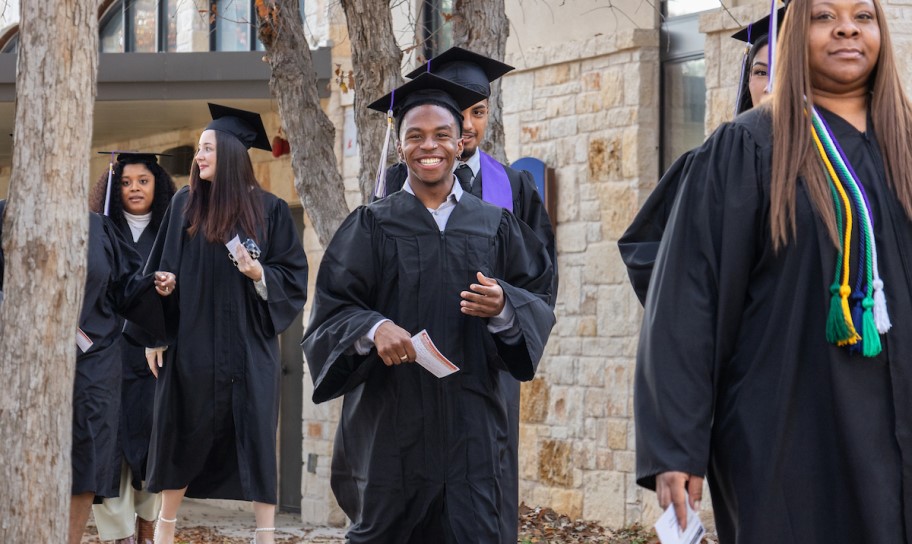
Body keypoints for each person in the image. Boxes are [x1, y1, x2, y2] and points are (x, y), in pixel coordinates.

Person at [633, 0, 912, 541]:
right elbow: (689, 299)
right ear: (794, 35)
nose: (847, 29)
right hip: (789, 433)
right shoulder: (749, 146)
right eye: (825, 16)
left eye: (863, 16)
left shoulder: (904, 144)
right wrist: (676, 446)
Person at [302, 73, 555, 543]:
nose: (429, 146)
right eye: (415, 136)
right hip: (390, 427)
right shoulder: (371, 225)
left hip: (472, 429)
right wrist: (372, 327)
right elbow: (331, 310)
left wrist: (505, 305)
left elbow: (538, 294)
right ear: (400, 148)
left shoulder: (496, 225)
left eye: (441, 134)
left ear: (460, 143)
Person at [380, 48, 557, 542]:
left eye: (478, 111)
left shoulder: (513, 186)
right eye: (459, 114)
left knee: (485, 483)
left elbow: (541, 276)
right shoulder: (397, 182)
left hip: (487, 363)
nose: (469, 124)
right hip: (413, 363)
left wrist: (506, 306)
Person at [128, 104, 309, 544]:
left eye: (207, 148)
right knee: (182, 434)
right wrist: (156, 327)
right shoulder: (185, 205)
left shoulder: (270, 211)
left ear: (229, 153)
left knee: (257, 439)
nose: (199, 156)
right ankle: (165, 531)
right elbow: (160, 269)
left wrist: (259, 274)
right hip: (192, 347)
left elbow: (293, 279)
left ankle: (265, 535)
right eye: (199, 149)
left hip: (250, 351)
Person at [619, 5, 789, 304]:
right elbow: (644, 250)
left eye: (785, 71)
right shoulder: (712, 162)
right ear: (747, 80)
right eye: (760, 72)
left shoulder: (843, 162)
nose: (770, 86)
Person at [88, 152, 178, 544]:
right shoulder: (101, 230)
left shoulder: (173, 231)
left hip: (156, 360)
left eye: (143, 180)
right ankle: (119, 535)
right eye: (125, 182)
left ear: (158, 184)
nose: (135, 188)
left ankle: (146, 528)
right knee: (108, 449)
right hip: (108, 356)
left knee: (151, 448)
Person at [69, 212, 166, 544]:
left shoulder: (97, 227)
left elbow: (126, 287)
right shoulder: (6, 216)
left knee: (90, 459)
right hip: (25, 362)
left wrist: (155, 285)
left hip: (94, 363)